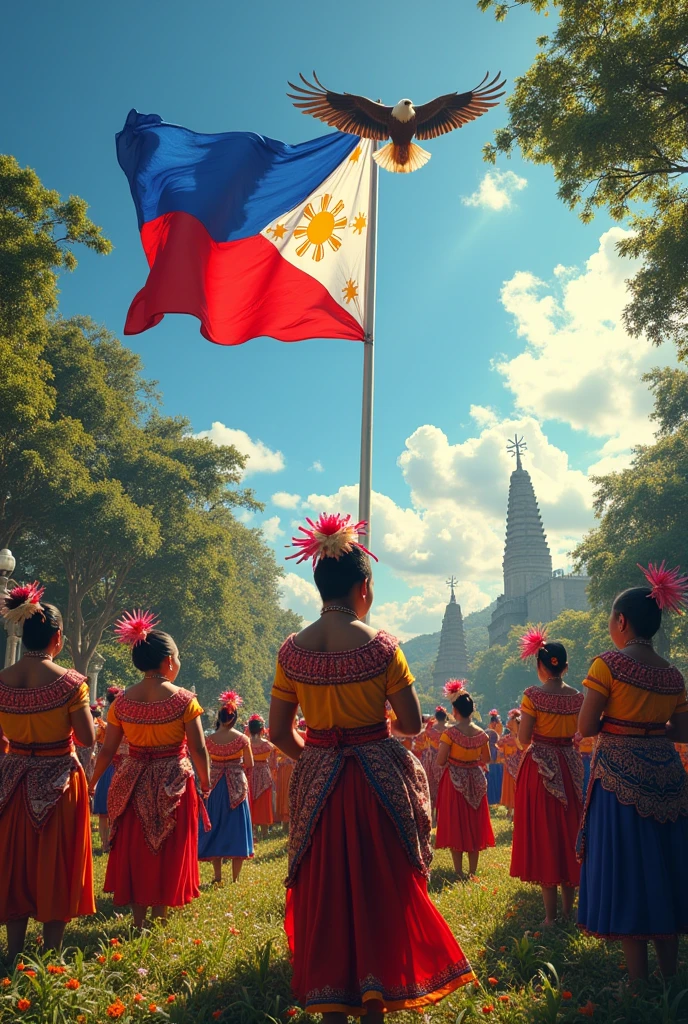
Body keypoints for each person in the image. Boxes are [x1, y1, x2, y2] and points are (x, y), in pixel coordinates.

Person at [269, 513, 475, 1021]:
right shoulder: (383, 647)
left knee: (327, 889)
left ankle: (331, 993)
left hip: (318, 780)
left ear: (320, 585)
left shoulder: (291, 652)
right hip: (377, 780)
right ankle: (377, 992)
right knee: (382, 884)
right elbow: (409, 723)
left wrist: (319, 756)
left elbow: (277, 734)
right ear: (365, 587)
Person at [577, 564, 688, 982]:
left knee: (629, 871)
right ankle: (670, 976)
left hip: (619, 780)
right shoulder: (673, 674)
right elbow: (683, 731)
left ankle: (638, 981)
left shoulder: (607, 665)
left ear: (621, 621)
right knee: (666, 867)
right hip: (667, 775)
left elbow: (586, 727)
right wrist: (649, 727)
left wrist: (622, 727)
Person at [89, 610, 210, 928]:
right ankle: (160, 914)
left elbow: (108, 749)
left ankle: (139, 917)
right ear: (169, 661)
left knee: (136, 847)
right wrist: (207, 781)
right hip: (173, 781)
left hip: (131, 779)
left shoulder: (122, 702)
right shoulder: (185, 700)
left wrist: (93, 780)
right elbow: (198, 748)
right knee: (167, 847)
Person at [0, 583, 95, 958]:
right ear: (57, 637)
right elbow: (87, 737)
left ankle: (13, 950)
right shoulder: (70, 683)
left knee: (15, 863)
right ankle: (52, 952)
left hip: (12, 780)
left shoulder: (3, 682)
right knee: (55, 863)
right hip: (58, 782)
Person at [510, 629, 583, 926]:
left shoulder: (533, 695)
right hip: (569, 766)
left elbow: (524, 740)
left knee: (545, 833)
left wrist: (516, 729)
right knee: (569, 832)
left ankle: (550, 917)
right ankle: (569, 911)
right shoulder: (578, 696)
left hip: (540, 768)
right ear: (564, 667)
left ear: (540, 667)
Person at [435, 683, 494, 878]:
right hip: (475, 778)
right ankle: (472, 871)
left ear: (455, 711)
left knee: (456, 823)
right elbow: (486, 759)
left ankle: (458, 871)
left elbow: (441, 760)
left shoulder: (450, 734)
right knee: (474, 823)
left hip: (455, 781)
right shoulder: (481, 734)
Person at [198, 689, 254, 883]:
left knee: (216, 828)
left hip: (215, 786)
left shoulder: (210, 740)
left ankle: (217, 876)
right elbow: (250, 764)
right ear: (233, 718)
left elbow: (204, 763)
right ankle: (235, 878)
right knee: (236, 828)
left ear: (220, 718)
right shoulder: (242, 739)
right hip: (236, 787)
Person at [92, 686, 125, 853]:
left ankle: (106, 844)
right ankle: (112, 843)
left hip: (107, 766)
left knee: (105, 810)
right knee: (114, 809)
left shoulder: (103, 725)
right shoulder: (124, 722)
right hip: (119, 766)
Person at [247, 714, 274, 839]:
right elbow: (273, 763)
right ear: (262, 729)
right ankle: (264, 831)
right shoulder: (267, 745)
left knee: (251, 801)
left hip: (250, 773)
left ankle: (252, 830)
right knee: (264, 802)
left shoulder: (246, 744)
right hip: (264, 773)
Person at [498, 709, 522, 821]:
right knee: (509, 788)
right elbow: (500, 747)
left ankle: (516, 811)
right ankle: (510, 810)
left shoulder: (520, 738)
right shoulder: (508, 737)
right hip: (508, 764)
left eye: (512, 720)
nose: (510, 723)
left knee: (515, 787)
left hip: (517, 765)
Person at [422, 707, 446, 809]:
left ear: (436, 717)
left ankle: (432, 812)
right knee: (444, 785)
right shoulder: (450, 730)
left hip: (430, 759)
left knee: (430, 785)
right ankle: (443, 810)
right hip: (445, 760)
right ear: (445, 717)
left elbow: (423, 742)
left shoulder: (429, 730)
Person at [486, 713, 504, 807]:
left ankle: (496, 798)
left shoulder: (498, 727)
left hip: (495, 751)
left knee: (495, 776)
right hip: (493, 750)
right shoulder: (493, 728)